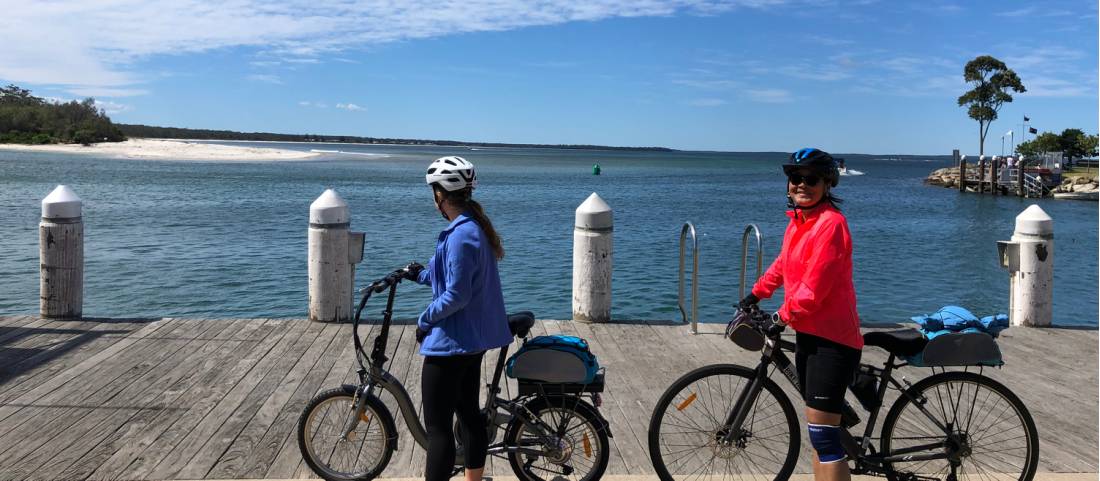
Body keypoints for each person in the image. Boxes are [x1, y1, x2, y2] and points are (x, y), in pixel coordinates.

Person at [738, 147, 863, 481]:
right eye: (795, 178)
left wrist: (780, 317)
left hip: (833, 341)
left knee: (825, 437)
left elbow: (814, 288)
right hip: (809, 335)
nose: (801, 184)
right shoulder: (799, 223)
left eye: (810, 179)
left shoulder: (831, 225)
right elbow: (783, 266)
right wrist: (755, 293)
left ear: (827, 184)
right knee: (818, 436)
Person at [403, 155, 513, 481]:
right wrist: (419, 275)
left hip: (452, 345)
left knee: (438, 430)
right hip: (471, 342)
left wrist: (424, 321)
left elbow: (456, 295)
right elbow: (452, 279)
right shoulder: (470, 228)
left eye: (433, 192)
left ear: (440, 194)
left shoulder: (461, 236)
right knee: (468, 417)